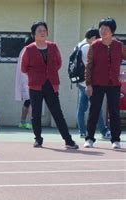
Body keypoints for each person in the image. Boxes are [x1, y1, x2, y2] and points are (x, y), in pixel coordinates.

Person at [21, 21, 78, 149]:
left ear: (47, 33)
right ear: (34, 34)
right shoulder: (29, 49)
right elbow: (24, 68)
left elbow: (58, 63)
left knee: (57, 112)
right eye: (39, 30)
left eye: (44, 30)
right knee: (36, 113)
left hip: (51, 84)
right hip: (35, 85)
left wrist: (49, 73)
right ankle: (38, 139)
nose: (42, 32)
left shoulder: (53, 46)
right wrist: (36, 74)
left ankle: (68, 140)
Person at [84, 17, 126, 149]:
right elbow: (89, 66)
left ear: (112, 31)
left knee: (114, 112)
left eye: (106, 29)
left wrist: (124, 73)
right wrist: (88, 84)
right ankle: (89, 138)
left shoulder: (119, 46)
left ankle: (115, 140)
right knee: (94, 111)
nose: (102, 31)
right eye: (101, 28)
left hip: (114, 84)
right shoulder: (94, 45)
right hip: (97, 83)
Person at [75, 28, 110, 139]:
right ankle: (104, 131)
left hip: (81, 82)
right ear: (94, 38)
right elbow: (91, 66)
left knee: (82, 108)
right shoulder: (87, 48)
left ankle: (82, 131)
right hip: (89, 83)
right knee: (96, 107)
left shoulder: (79, 45)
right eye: (98, 39)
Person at [15, 36, 34, 129]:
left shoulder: (23, 50)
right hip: (30, 80)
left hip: (24, 80)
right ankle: (31, 123)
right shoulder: (29, 51)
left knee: (27, 101)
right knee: (32, 102)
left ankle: (22, 122)